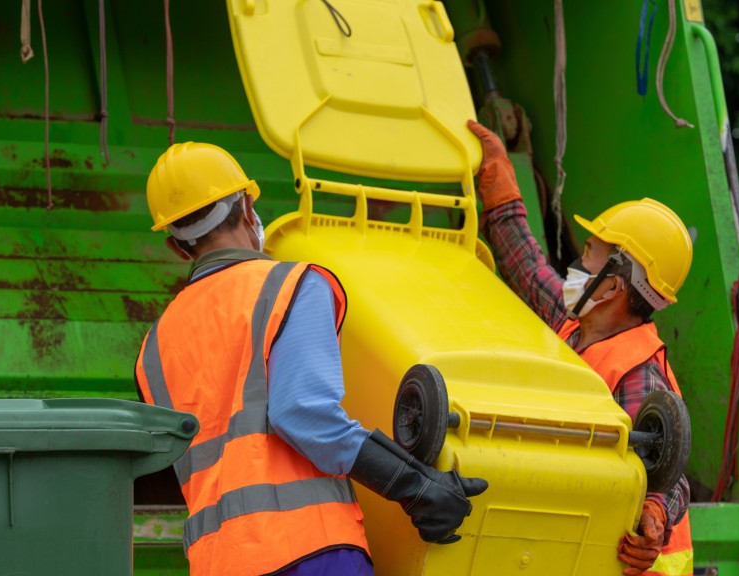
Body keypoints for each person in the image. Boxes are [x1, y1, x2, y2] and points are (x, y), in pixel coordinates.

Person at [134, 142, 488, 576]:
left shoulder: (153, 347)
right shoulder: (289, 285)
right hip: (309, 552)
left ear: (176, 247)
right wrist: (414, 485)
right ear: (247, 207)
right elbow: (303, 413)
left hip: (216, 564)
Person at [468, 120, 694, 576]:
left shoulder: (637, 372)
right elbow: (527, 268)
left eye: (588, 251)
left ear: (611, 285)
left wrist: (654, 513)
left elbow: (672, 472)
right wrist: (500, 187)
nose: (576, 261)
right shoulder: (577, 327)